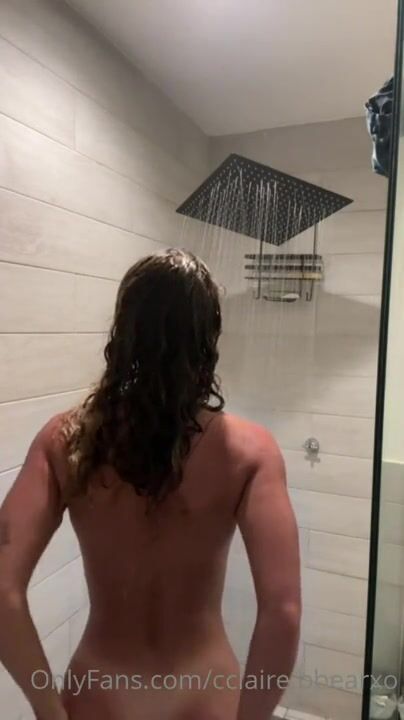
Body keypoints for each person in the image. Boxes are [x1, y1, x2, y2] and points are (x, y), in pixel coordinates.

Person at [0, 249, 301, 720]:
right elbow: (283, 611)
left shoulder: (64, 440)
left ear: (123, 330)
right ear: (208, 338)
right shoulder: (250, 451)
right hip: (205, 694)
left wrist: (47, 709)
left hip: (98, 694)